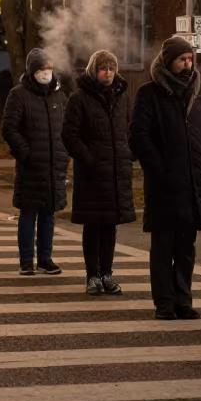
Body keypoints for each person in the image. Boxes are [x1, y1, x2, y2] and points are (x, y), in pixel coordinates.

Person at [129, 37, 201, 320]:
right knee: (163, 247)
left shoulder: (199, 92)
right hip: (165, 185)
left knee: (186, 248)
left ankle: (184, 300)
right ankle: (164, 303)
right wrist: (160, 168)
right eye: (182, 59)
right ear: (168, 61)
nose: (187, 64)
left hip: (193, 183)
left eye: (190, 59)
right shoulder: (150, 93)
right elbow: (139, 137)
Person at [63, 49, 135, 296]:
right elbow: (70, 135)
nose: (108, 73)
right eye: (103, 68)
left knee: (110, 226)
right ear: (94, 70)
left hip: (115, 172)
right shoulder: (79, 98)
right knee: (93, 226)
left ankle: (107, 273)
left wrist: (127, 155)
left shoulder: (122, 97)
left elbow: (129, 130)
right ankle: (92, 274)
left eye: (112, 68)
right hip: (92, 173)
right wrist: (89, 159)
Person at [2, 48, 69, 276]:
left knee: (49, 214)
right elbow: (9, 128)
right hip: (31, 166)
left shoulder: (59, 96)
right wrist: (24, 152)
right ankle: (26, 260)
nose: (46, 73)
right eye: (41, 69)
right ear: (32, 71)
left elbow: (68, 127)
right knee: (28, 213)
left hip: (53, 166)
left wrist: (63, 153)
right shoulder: (19, 94)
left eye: (49, 68)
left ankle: (45, 258)